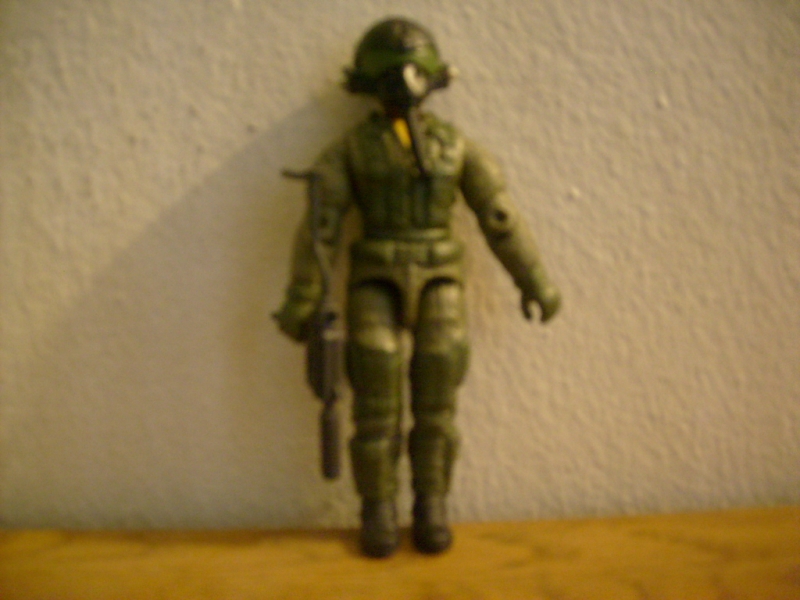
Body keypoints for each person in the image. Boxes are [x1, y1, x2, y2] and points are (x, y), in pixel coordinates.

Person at [274, 17, 561, 557]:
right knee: (375, 393)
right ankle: (378, 509)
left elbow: (499, 217)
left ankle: (432, 504)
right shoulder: (351, 151)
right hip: (375, 277)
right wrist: (301, 300)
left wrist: (535, 281)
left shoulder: (456, 149)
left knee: (437, 391)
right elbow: (321, 228)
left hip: (439, 278)